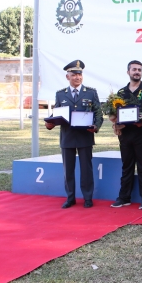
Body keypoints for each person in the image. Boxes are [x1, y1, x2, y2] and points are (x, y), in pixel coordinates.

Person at [45, 60, 103, 209]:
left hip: (85, 136)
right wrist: (50, 123)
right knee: (68, 170)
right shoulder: (60, 94)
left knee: (86, 170)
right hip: (67, 136)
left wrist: (96, 126)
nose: (77, 77)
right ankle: (70, 198)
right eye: (74, 75)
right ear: (67, 77)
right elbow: (56, 113)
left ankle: (88, 198)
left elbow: (98, 112)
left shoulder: (91, 92)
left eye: (79, 75)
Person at [110, 60, 142, 210]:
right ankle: (124, 197)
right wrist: (115, 121)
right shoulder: (121, 93)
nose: (137, 72)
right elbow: (113, 113)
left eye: (139, 70)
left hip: (141, 134)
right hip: (125, 134)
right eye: (134, 69)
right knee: (127, 166)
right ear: (128, 72)